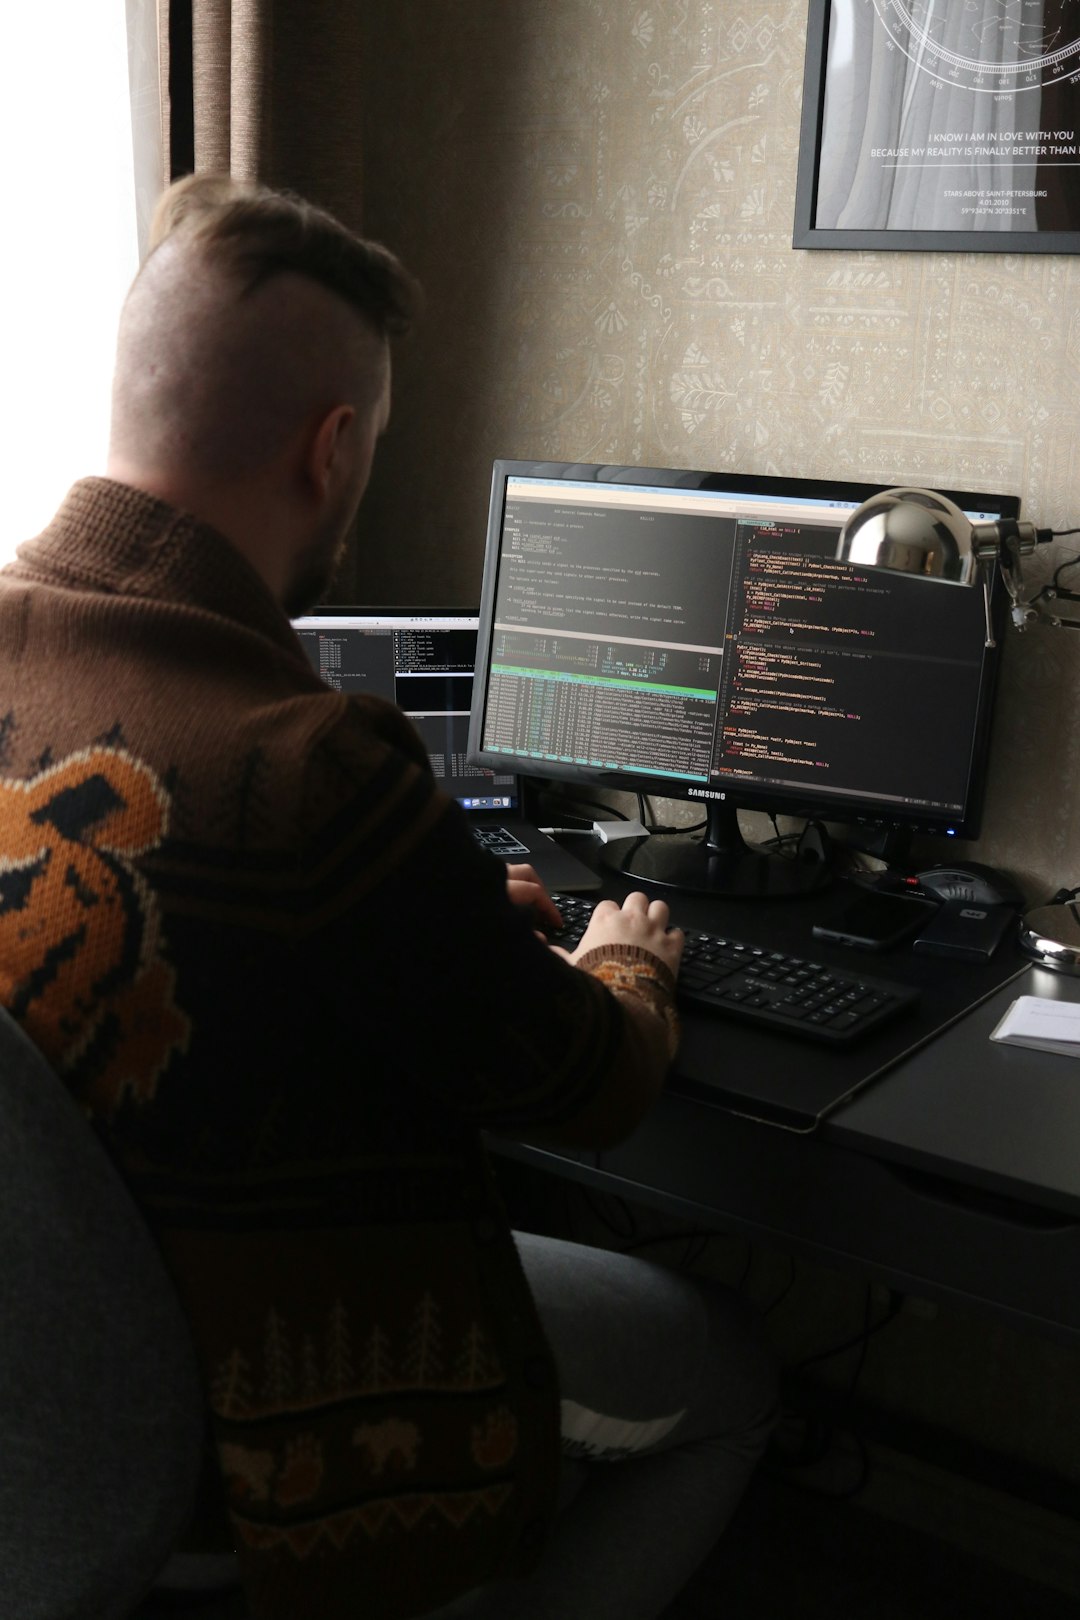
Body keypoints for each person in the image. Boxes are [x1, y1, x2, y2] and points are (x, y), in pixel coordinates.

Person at [0, 174, 776, 1619]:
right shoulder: (308, 765)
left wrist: (443, 918)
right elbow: (589, 1085)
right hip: (255, 1409)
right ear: (335, 446)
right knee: (729, 1375)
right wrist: (627, 963)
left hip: (36, 1385)